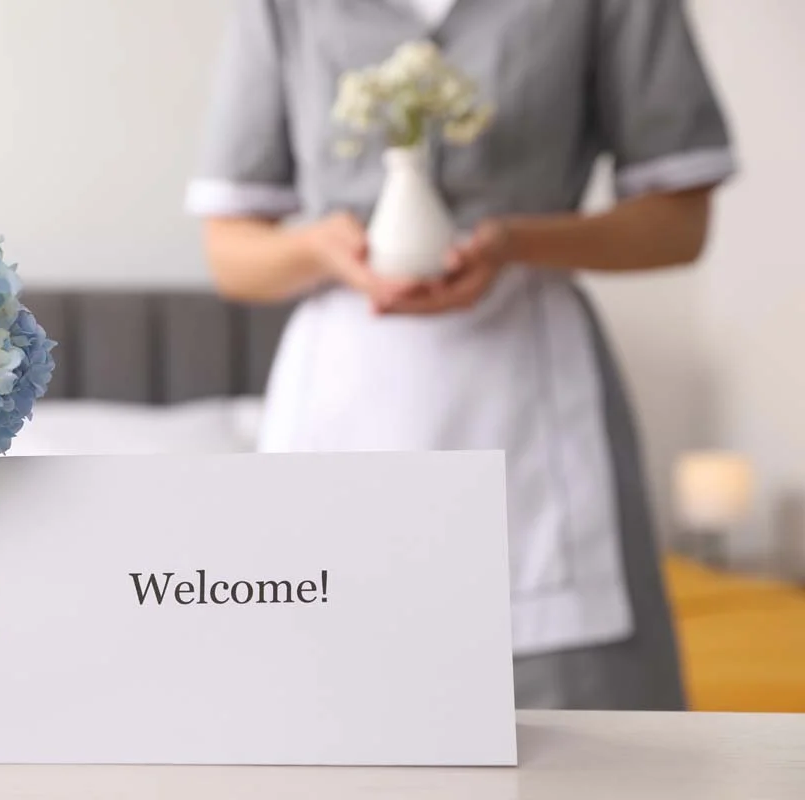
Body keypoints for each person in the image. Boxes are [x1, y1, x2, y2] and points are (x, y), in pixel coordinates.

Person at [186, 0, 736, 710]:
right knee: (317, 709)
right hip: (344, 399)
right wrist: (322, 250)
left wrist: (517, 243)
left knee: (587, 743)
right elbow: (233, 255)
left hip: (533, 398)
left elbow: (680, 222)